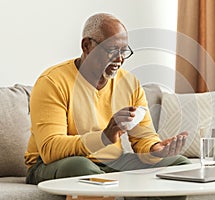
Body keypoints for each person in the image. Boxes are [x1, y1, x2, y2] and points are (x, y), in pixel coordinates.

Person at [25, 13, 191, 199]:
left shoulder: (129, 84)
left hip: (112, 162)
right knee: (81, 167)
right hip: (54, 164)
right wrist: (103, 138)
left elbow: (142, 138)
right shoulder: (53, 82)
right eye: (112, 50)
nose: (120, 59)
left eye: (124, 51)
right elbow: (50, 149)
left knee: (179, 165)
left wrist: (156, 148)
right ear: (87, 46)